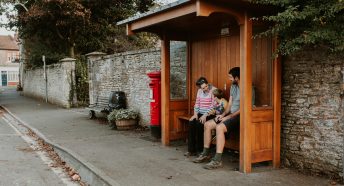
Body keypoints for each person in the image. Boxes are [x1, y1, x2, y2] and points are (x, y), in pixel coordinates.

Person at [193, 67, 245, 169]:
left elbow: (245, 108)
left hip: (240, 116)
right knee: (207, 124)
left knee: (219, 127)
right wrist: (223, 114)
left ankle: (217, 160)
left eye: (230, 77)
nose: (229, 79)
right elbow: (229, 104)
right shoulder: (233, 87)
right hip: (230, 114)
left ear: (237, 77)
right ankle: (205, 153)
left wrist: (228, 117)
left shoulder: (247, 87)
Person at [185, 77, 216, 157]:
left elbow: (213, 106)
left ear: (207, 83)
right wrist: (195, 114)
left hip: (209, 114)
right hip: (199, 113)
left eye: (206, 86)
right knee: (191, 122)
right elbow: (197, 103)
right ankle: (191, 150)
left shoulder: (213, 90)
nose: (205, 89)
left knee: (200, 124)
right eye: (203, 88)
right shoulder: (199, 91)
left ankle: (200, 150)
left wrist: (205, 115)